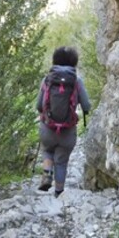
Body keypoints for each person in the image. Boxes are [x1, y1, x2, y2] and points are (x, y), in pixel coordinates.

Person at [36, 46, 91, 197]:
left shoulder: (47, 80)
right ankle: (59, 194)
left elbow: (38, 105)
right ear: (74, 62)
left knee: (47, 150)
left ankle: (47, 173)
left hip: (48, 128)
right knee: (61, 160)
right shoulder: (77, 81)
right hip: (67, 130)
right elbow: (86, 105)